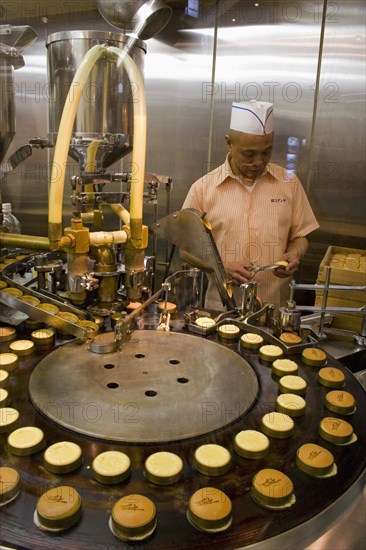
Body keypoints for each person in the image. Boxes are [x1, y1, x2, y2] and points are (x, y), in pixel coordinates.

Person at [182, 100, 319, 310]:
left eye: (266, 152)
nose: (258, 161)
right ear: (229, 143)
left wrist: (295, 254)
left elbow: (301, 237)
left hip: (274, 308)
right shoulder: (203, 189)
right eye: (249, 153)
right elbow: (186, 249)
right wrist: (220, 267)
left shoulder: (289, 184)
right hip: (221, 309)